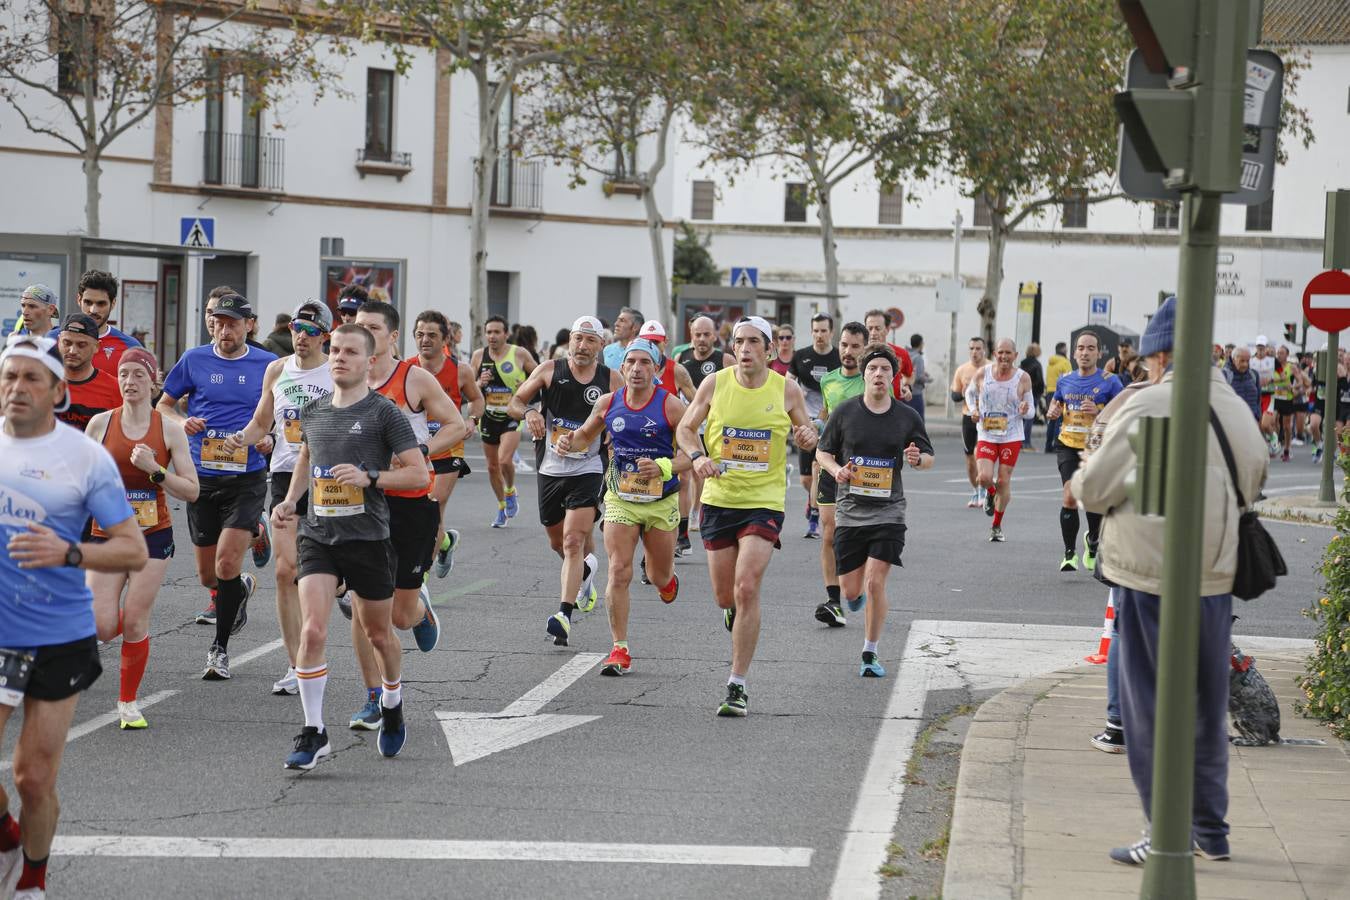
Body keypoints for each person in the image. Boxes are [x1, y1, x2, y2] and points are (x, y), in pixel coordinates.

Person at [1072, 296, 1265, 866]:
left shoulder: (1150, 404)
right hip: (1213, 579)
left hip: (1146, 579)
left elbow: (1096, 489)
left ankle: (1165, 831)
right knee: (1206, 708)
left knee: (1148, 708)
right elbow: (1254, 476)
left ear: (1160, 355)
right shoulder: (1233, 406)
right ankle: (1211, 828)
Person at [0, 333, 148, 898]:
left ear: (58, 391)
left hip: (56, 631)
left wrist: (68, 552)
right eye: (9, 376)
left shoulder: (82, 456)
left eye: (31, 378)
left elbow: (132, 549)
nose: (17, 388)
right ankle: (7, 838)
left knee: (32, 776)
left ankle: (32, 879)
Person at [271, 324, 432, 769]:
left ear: (369, 361)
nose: (339, 358)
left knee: (380, 635)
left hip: (368, 538)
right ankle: (314, 731)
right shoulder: (317, 409)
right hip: (319, 537)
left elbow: (419, 475)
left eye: (350, 352)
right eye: (336, 350)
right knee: (312, 631)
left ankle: (393, 702)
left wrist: (371, 478)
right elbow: (306, 456)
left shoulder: (386, 414)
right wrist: (289, 501)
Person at [677, 316, 818, 716]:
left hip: (764, 500)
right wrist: (698, 456)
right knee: (726, 595)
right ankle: (734, 613)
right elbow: (686, 431)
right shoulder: (715, 383)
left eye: (754, 342)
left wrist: (808, 437)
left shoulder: (786, 389)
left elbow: (806, 433)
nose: (745, 349)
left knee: (746, 586)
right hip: (721, 499)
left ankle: (737, 684)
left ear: (769, 350)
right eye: (739, 342)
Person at [156, 293, 276, 679]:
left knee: (226, 562)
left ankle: (219, 650)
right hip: (201, 477)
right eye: (219, 322)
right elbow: (163, 405)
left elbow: (281, 416)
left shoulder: (268, 364)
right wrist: (181, 422)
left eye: (233, 323)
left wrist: (268, 437)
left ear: (249, 325)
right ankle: (239, 584)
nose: (225, 330)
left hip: (247, 476)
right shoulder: (194, 359)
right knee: (210, 577)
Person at [556, 338, 689, 674]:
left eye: (645, 363)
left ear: (657, 370)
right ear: (623, 367)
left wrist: (662, 466)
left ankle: (666, 580)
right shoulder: (608, 402)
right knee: (618, 570)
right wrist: (567, 441)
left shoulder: (671, 406)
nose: (636, 369)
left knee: (659, 576)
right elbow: (585, 436)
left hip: (661, 501)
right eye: (631, 362)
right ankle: (619, 648)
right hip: (620, 498)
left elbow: (693, 456)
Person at [85, 348, 199, 728]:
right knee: (102, 625)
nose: (129, 382)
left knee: (134, 620)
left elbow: (191, 490)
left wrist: (154, 470)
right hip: (108, 533)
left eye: (138, 375)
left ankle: (128, 703)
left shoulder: (168, 429)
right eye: (123, 374)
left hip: (153, 534)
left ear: (154, 382)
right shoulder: (100, 425)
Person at [225, 301, 335, 696]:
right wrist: (242, 438)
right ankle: (297, 664)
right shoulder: (277, 369)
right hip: (286, 476)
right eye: (296, 328)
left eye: (309, 329)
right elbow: (261, 421)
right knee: (286, 571)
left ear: (324, 334)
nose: (301, 336)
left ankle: (337, 597)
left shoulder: (336, 370)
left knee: (329, 571)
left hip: (329, 480)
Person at [816, 343, 934, 677]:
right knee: (852, 592)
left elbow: (928, 457)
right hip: (851, 511)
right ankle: (853, 601)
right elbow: (823, 452)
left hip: (889, 512)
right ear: (864, 375)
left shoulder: (907, 417)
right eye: (872, 369)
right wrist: (837, 469)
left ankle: (870, 652)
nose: (879, 374)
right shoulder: (845, 412)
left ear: (894, 376)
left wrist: (917, 460)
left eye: (885, 369)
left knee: (875, 582)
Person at [508, 316, 621, 647]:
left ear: (601, 345)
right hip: (551, 467)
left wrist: (615, 449)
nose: (582, 345)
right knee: (557, 543)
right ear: (569, 342)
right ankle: (584, 575)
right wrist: (529, 413)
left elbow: (624, 415)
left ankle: (563, 615)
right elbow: (516, 402)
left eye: (589, 340)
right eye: (577, 339)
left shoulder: (611, 379)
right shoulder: (549, 370)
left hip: (588, 468)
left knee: (573, 542)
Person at [412, 311, 482, 579]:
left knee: (433, 506)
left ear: (445, 339)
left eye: (431, 335)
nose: (425, 340)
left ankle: (421, 578)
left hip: (448, 447)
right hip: (414, 449)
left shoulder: (460, 371)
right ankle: (445, 543)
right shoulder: (405, 369)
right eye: (419, 334)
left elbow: (477, 400)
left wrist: (472, 420)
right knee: (416, 512)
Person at [1045, 331, 1122, 571]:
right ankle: (1069, 554)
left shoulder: (1110, 381)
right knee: (1069, 496)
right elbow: (1056, 403)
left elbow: (1123, 415)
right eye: (1080, 348)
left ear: (1099, 353)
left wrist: (1099, 414)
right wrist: (1052, 412)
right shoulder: (1065, 379)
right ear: (1074, 352)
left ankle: (1092, 542)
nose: (1085, 352)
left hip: (1097, 447)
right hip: (1067, 444)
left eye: (1090, 348)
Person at [812, 322, 868, 627]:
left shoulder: (872, 381)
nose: (847, 352)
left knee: (857, 534)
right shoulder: (829, 380)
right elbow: (825, 413)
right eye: (844, 345)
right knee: (830, 531)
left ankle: (854, 586)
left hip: (863, 470)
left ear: (864, 349)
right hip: (831, 464)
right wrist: (815, 428)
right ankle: (834, 601)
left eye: (855, 346)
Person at [673, 316, 734, 556]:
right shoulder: (682, 358)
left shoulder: (725, 359)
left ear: (714, 335)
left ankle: (699, 510)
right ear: (691, 334)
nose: (701, 339)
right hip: (688, 425)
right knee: (685, 476)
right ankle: (684, 527)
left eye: (706, 334)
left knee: (703, 475)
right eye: (697, 334)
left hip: (713, 426)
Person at [965, 338, 1035, 542]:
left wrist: (1025, 409)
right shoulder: (983, 373)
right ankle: (990, 492)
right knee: (983, 478)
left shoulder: (1023, 378)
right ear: (995, 354)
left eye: (1008, 353)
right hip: (987, 433)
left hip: (1011, 435)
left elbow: (1031, 410)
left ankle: (996, 525)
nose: (1004, 357)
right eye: (1000, 352)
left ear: (1015, 356)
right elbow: (969, 394)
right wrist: (974, 410)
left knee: (1004, 480)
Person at [472, 315, 537, 528]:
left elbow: (540, 377)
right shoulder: (478, 356)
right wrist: (479, 383)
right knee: (492, 467)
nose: (492, 336)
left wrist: (525, 384)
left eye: (496, 332)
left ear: (505, 334)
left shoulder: (518, 353)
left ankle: (510, 491)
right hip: (489, 416)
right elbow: (467, 387)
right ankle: (501, 506)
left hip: (512, 414)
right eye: (488, 332)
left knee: (503, 460)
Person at [789, 313, 840, 538]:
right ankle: (813, 503)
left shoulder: (839, 357)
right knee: (806, 479)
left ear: (831, 332)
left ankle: (814, 520)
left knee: (818, 469)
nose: (819, 335)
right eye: (816, 331)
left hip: (830, 423)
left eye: (823, 331)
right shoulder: (800, 356)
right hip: (804, 421)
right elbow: (787, 384)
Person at [54, 313, 121, 432]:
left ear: (97, 346)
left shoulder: (116, 389)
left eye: (81, 345)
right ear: (58, 341)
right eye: (67, 343)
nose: (73, 351)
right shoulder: (42, 384)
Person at [75, 269, 143, 377]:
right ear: (79, 300)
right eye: (88, 302)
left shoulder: (131, 347)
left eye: (101, 304)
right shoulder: (57, 340)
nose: (93, 310)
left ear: (113, 303)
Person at [951, 336, 989, 508]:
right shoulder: (962, 370)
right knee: (969, 458)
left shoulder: (992, 368)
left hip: (988, 417)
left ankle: (984, 488)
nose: (975, 352)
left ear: (984, 350)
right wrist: (963, 393)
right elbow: (954, 395)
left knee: (980, 454)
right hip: (968, 416)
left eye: (978, 348)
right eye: (972, 348)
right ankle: (976, 490)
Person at [862, 310, 914, 401]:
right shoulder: (858, 354)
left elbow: (909, 375)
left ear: (887, 329)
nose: (873, 333)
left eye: (877, 328)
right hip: (865, 407)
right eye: (869, 329)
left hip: (894, 407)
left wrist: (907, 386)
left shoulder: (901, 353)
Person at [1269, 345, 1309, 463]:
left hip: (1287, 399)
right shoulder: (1273, 366)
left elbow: (1300, 382)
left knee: (1287, 426)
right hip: (1275, 398)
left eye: (1281, 353)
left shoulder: (1291, 367)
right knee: (1272, 421)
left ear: (1287, 355)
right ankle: (1275, 444)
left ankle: (1287, 449)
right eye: (1278, 353)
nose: (1279, 355)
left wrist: (1292, 386)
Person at [1043, 341, 1071, 451]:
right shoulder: (1065, 362)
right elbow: (1069, 379)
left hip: (1050, 391)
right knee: (1059, 419)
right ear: (1064, 350)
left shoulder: (1050, 363)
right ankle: (1056, 444)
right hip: (1061, 392)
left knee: (1051, 420)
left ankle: (1048, 445)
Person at [1223, 346, 1261, 422]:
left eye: (1247, 361)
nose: (1245, 365)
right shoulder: (1225, 375)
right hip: (1233, 422)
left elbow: (1258, 400)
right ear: (1233, 360)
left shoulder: (1254, 374)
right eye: (1242, 361)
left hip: (1252, 421)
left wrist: (1258, 416)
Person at [1019, 343, 1045, 450]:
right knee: (1029, 418)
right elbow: (1039, 381)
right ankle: (1026, 442)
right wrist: (1040, 392)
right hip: (1033, 394)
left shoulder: (1022, 363)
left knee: (1022, 418)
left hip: (1022, 393)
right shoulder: (1037, 364)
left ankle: (1019, 441)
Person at [907, 333, 931, 419]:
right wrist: (928, 379)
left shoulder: (906, 354)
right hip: (916, 393)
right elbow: (918, 377)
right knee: (918, 421)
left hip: (905, 393)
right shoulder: (918, 358)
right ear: (921, 344)